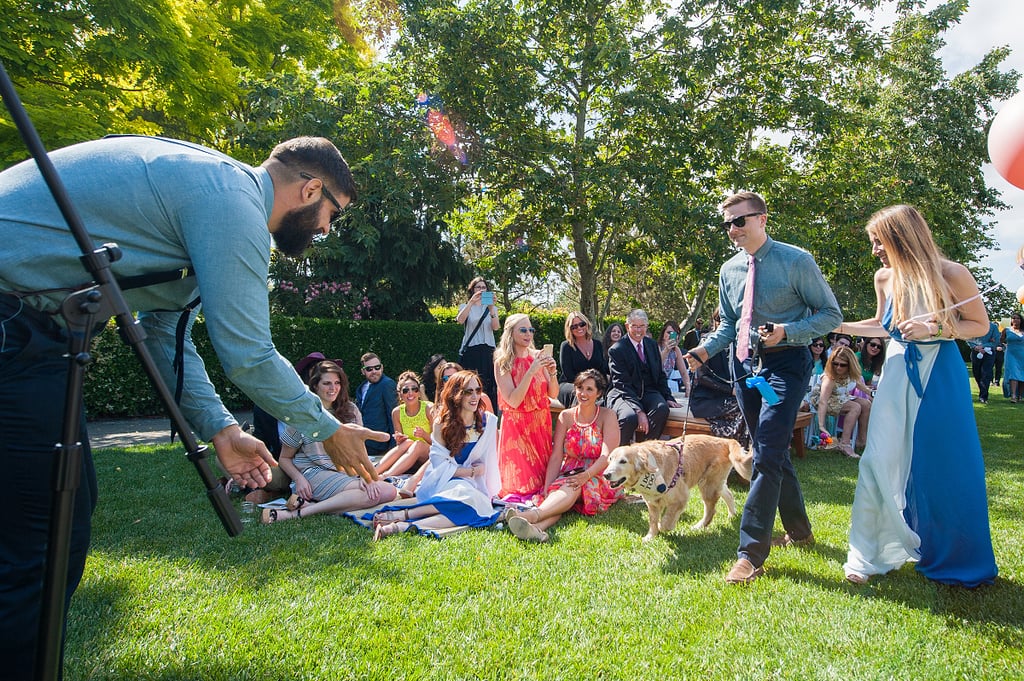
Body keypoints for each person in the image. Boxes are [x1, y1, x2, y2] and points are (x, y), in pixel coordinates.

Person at [0, 135, 385, 677]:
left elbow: (165, 338)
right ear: (310, 189)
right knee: (41, 538)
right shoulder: (232, 205)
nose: (326, 229)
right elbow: (248, 353)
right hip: (14, 322)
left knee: (64, 514)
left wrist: (222, 430)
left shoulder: (214, 192)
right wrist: (326, 427)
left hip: (32, 333)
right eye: (332, 214)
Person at [684, 191, 841, 585]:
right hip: (745, 370)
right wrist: (703, 350)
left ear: (763, 219)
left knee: (766, 454)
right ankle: (801, 531)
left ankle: (749, 554)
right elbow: (728, 326)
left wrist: (789, 331)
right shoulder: (728, 271)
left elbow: (830, 314)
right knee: (774, 453)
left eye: (739, 221)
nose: (732, 230)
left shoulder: (796, 261)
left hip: (787, 365)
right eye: (727, 224)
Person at [840, 204, 996, 587]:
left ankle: (955, 555)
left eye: (878, 241)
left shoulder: (951, 273)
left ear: (900, 237)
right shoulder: (883, 278)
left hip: (939, 377)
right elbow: (881, 325)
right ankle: (867, 555)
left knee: (945, 466)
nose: (875, 249)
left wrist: (938, 327)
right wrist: (836, 322)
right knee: (877, 460)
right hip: (895, 377)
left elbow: (980, 325)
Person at [370, 371, 501, 538]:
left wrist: (477, 477)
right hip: (444, 480)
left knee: (469, 503)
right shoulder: (441, 423)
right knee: (465, 497)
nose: (475, 396)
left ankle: (400, 525)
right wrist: (472, 472)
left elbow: (489, 460)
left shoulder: (488, 421)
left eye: (477, 390)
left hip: (475, 484)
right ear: (456, 394)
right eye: (468, 391)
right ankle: (404, 516)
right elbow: (440, 465)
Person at [262, 362, 397, 523]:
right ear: (315, 386)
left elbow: (358, 451)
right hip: (313, 473)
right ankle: (294, 514)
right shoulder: (303, 415)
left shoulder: (351, 410)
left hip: (345, 473)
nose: (333, 388)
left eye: (337, 383)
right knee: (374, 493)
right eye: (327, 383)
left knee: (388, 491)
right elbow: (284, 458)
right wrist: (299, 479)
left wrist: (364, 476)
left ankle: (308, 508)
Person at [505, 369, 622, 542]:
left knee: (572, 486)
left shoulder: (607, 416)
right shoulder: (565, 416)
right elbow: (556, 456)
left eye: (589, 389)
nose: (583, 393)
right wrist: (547, 486)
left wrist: (586, 476)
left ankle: (531, 516)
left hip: (598, 473)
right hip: (569, 472)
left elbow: (607, 456)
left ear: (599, 393)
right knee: (559, 493)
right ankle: (537, 529)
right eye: (580, 388)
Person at [494, 313, 559, 501]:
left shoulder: (539, 356)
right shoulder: (503, 362)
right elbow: (513, 400)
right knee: (520, 483)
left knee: (540, 476)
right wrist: (531, 371)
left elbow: (552, 394)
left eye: (531, 329)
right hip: (516, 426)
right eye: (523, 330)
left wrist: (553, 373)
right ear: (511, 332)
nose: (528, 333)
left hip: (540, 422)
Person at [607, 309, 681, 447]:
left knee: (662, 408)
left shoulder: (651, 344)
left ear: (646, 327)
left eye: (641, 326)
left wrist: (668, 396)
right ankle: (617, 454)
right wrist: (638, 410)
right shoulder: (617, 349)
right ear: (627, 326)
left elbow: (660, 374)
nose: (638, 330)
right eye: (634, 326)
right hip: (623, 393)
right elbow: (621, 384)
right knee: (629, 417)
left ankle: (645, 450)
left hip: (648, 391)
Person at [688, 311, 749, 448]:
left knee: (750, 404)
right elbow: (702, 377)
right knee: (742, 406)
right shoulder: (706, 342)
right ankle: (731, 450)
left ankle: (745, 453)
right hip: (706, 399)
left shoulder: (736, 343)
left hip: (727, 397)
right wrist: (731, 390)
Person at [811, 345, 873, 458]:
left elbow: (862, 387)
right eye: (835, 363)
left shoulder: (852, 374)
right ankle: (845, 444)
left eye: (843, 365)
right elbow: (823, 401)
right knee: (855, 407)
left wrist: (874, 395)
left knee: (866, 404)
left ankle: (861, 440)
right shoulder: (829, 377)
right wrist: (821, 425)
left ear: (850, 365)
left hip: (841, 397)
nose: (838, 367)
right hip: (822, 399)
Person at [374, 371, 434, 478]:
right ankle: (373, 472)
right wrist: (399, 439)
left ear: (419, 392)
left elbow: (438, 444)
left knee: (418, 444)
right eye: (406, 390)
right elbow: (400, 445)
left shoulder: (429, 408)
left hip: (430, 455)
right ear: (400, 394)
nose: (410, 393)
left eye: (414, 389)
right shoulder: (397, 412)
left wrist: (423, 435)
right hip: (408, 456)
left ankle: (386, 475)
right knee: (408, 442)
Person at [456, 277, 500, 411]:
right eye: (478, 287)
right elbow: (460, 320)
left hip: (488, 351)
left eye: (483, 288)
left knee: (489, 383)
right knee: (471, 382)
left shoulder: (492, 308)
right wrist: (471, 302)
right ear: (472, 290)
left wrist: (492, 308)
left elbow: (496, 327)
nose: (481, 290)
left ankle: (489, 412)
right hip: (472, 350)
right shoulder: (465, 306)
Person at [556, 311, 607, 407]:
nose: (579, 328)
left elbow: (602, 370)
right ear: (569, 329)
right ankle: (577, 421)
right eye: (574, 326)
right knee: (580, 393)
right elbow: (569, 374)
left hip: (593, 385)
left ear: (587, 324)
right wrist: (587, 386)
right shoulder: (566, 346)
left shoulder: (597, 344)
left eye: (581, 324)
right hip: (570, 384)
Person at [356, 351, 398, 458]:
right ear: (363, 371)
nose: (374, 371)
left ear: (382, 367)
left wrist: (393, 449)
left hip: (381, 445)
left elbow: (393, 415)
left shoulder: (387, 384)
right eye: (369, 369)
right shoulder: (362, 387)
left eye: (377, 367)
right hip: (363, 443)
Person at [656, 320, 692, 396]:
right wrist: (666, 350)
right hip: (654, 385)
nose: (671, 335)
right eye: (668, 332)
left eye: (675, 333)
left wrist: (688, 387)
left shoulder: (676, 350)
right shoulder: (656, 347)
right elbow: (656, 365)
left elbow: (683, 372)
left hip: (666, 386)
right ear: (663, 334)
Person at [969, 320, 1001, 404]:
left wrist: (983, 346)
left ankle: (983, 396)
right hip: (976, 352)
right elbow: (969, 338)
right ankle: (982, 390)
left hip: (989, 353)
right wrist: (975, 347)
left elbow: (996, 340)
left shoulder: (993, 327)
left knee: (986, 373)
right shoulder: (973, 326)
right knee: (977, 373)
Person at [1001, 312, 1024, 403]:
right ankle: (1013, 395)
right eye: (1013, 318)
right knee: (1013, 373)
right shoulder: (1007, 330)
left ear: (1021, 320)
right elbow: (1001, 340)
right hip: (1011, 354)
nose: (1015, 320)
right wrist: (1004, 346)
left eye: (1017, 318)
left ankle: (1020, 396)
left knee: (1022, 374)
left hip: (1022, 353)